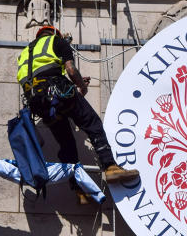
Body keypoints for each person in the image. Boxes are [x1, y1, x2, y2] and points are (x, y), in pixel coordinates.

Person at [17, 25, 138, 186]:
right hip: (56, 90)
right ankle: (110, 166)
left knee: (66, 142)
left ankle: (79, 188)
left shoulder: (25, 53)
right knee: (91, 122)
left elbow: (41, 77)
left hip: (39, 104)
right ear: (54, 33)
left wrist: (74, 86)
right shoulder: (57, 41)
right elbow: (71, 70)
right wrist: (82, 86)